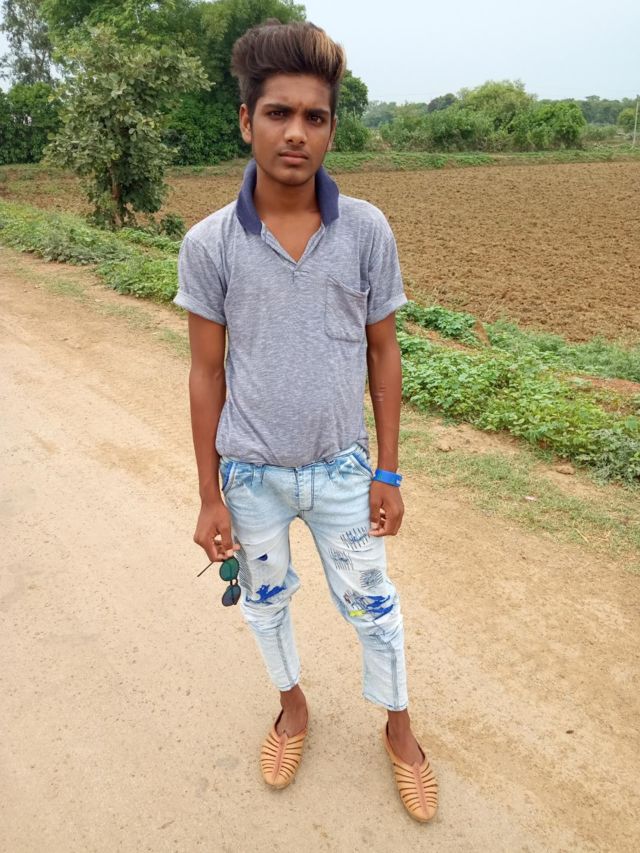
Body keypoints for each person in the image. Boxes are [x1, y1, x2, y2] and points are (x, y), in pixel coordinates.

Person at [173, 19, 438, 823]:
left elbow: (384, 352)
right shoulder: (210, 244)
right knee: (265, 602)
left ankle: (399, 728)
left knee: (374, 605)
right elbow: (206, 372)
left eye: (314, 117)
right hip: (250, 477)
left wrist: (387, 468)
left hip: (342, 471)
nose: (296, 132)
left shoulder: (366, 230)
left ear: (330, 128)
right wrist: (210, 494)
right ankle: (292, 708)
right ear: (246, 120)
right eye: (278, 113)